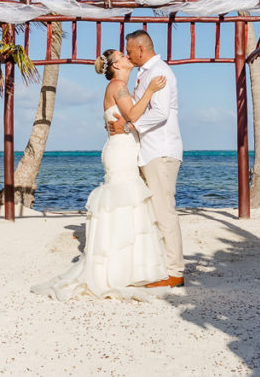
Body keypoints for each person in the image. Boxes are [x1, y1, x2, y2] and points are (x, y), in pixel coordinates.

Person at [31, 49, 169, 300]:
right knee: (123, 203)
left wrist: (127, 122)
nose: (128, 58)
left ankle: (126, 266)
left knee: (127, 204)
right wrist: (150, 90)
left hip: (121, 149)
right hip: (120, 153)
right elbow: (135, 114)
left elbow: (128, 120)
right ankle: (116, 270)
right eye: (123, 56)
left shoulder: (119, 88)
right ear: (116, 65)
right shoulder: (118, 86)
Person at [108, 30, 185, 288]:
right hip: (149, 151)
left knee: (164, 212)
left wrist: (131, 127)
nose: (128, 55)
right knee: (154, 212)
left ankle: (175, 273)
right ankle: (162, 267)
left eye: (129, 51)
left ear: (141, 49)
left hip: (160, 151)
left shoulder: (159, 72)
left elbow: (161, 113)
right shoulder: (146, 73)